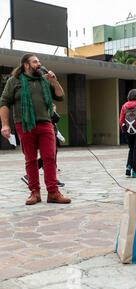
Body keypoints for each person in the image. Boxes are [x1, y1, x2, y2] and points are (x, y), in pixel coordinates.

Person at [0, 53, 71, 205]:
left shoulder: (44, 80)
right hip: (24, 124)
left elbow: (60, 96)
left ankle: (53, 193)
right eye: (35, 62)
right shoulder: (14, 81)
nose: (39, 64)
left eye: (39, 61)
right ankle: (35, 193)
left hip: (45, 123)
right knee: (30, 160)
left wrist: (54, 81)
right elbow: (4, 102)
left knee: (50, 158)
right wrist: (5, 124)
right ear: (26, 65)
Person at [21, 104, 65, 187]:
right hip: (47, 137)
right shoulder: (44, 113)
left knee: (50, 158)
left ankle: (53, 179)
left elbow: (56, 125)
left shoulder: (48, 115)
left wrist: (61, 138)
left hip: (51, 138)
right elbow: (57, 118)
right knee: (48, 157)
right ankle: (28, 176)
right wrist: (51, 109)